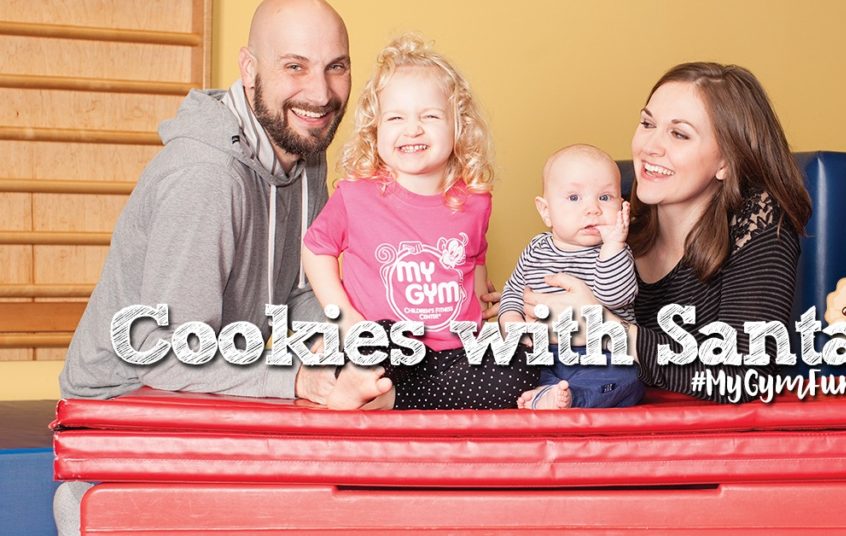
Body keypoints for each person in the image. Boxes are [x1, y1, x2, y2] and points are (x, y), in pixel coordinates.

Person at [54, 1, 353, 533]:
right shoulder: (206, 177)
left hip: (207, 403)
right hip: (123, 427)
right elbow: (162, 351)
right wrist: (299, 376)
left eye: (336, 65)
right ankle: (87, 508)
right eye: (295, 66)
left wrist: (347, 336)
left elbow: (297, 291)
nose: (321, 92)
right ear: (248, 69)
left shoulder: (304, 148)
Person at [521, 62, 812, 403]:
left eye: (679, 134)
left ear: (726, 161)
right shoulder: (612, 213)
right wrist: (516, 305)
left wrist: (610, 330)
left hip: (706, 444)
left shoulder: (757, 224)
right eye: (647, 124)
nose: (650, 147)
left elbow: (744, 374)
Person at [301, 34, 539, 410]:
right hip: (385, 345)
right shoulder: (356, 195)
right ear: (375, 129)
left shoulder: (475, 200)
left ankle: (389, 400)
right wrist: (346, 319)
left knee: (524, 366)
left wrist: (482, 304)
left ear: (458, 126)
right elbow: (316, 250)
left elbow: (474, 257)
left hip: (453, 351)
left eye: (429, 116)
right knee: (378, 340)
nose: (412, 128)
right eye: (396, 117)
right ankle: (364, 384)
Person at [499, 144, 643, 410]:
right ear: (546, 211)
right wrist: (511, 322)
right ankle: (543, 392)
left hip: (599, 355)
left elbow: (617, 295)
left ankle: (571, 397)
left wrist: (613, 246)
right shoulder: (536, 248)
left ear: (622, 206)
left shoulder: (614, 251)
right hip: (542, 353)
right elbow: (513, 290)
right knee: (502, 365)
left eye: (605, 197)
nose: (592, 209)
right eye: (574, 198)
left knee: (627, 377)